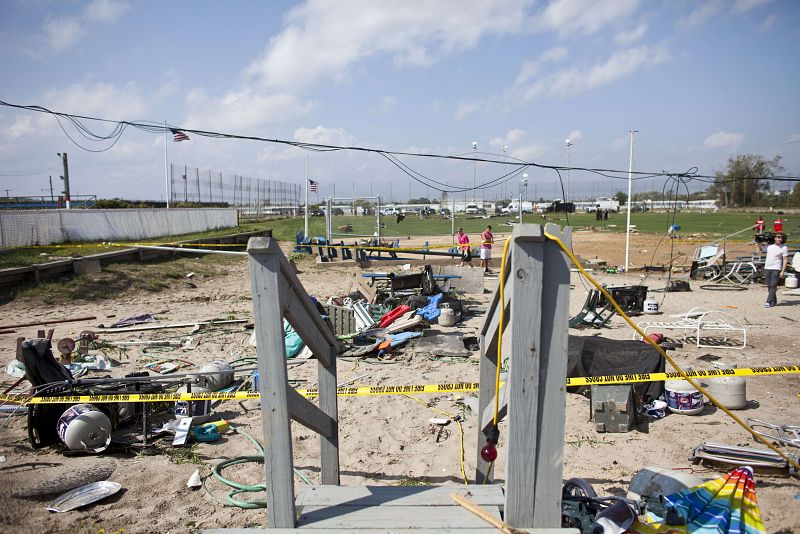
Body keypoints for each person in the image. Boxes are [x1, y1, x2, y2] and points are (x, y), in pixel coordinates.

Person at [763, 232, 789, 308]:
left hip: (776, 268)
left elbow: (785, 260)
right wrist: (758, 243)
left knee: (773, 285)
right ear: (775, 238)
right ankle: (774, 300)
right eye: (778, 237)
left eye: (781, 237)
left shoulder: (784, 247)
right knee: (769, 285)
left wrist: (782, 271)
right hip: (767, 267)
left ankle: (768, 302)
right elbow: (759, 251)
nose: (779, 239)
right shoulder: (769, 246)